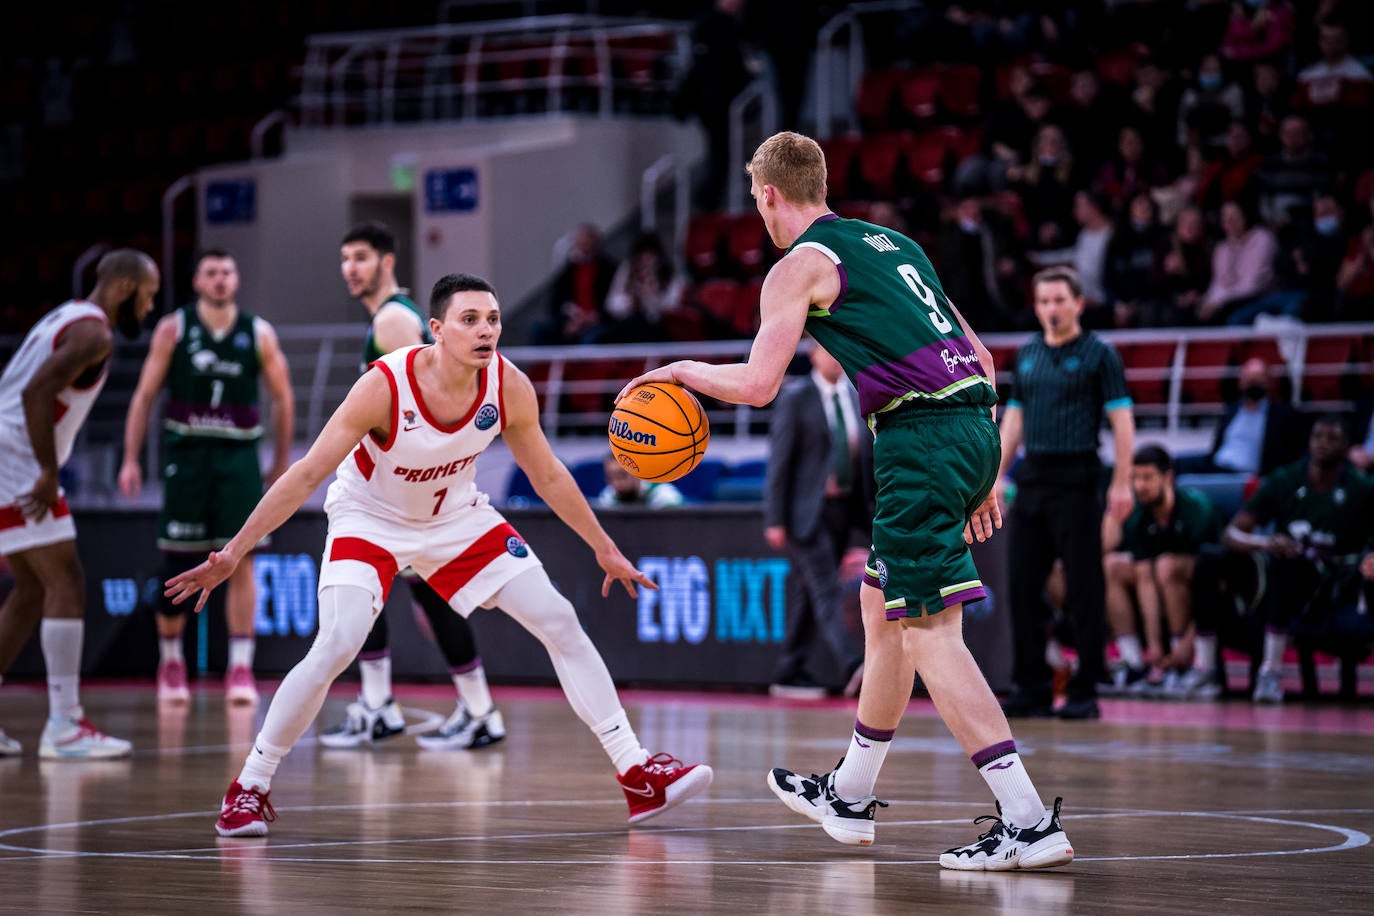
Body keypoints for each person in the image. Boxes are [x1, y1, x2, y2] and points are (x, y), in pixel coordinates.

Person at [618, 132, 1074, 870]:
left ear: (766, 192)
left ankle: (1026, 819)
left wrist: (680, 369)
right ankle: (850, 794)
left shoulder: (796, 266)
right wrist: (983, 470)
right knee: (878, 607)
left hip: (918, 440)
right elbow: (985, 359)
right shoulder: (896, 244)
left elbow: (760, 386)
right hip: (970, 425)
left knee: (931, 634)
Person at [165, 273, 711, 837]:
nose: (486, 330)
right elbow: (306, 472)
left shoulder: (509, 385)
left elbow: (547, 473)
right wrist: (234, 551)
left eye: (493, 319)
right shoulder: (384, 386)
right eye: (470, 319)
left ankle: (636, 772)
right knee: (337, 643)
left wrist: (605, 547)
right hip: (369, 518)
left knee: (559, 618)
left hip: (455, 518)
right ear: (437, 330)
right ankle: (249, 786)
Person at [325, 221, 505, 751]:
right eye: (344, 259)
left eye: (360, 257)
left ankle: (401, 707)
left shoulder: (393, 323)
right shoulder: (390, 320)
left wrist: (414, 482)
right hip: (404, 488)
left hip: (407, 492)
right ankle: (451, 709)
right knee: (413, 597)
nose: (349, 269)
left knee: (383, 591)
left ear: (386, 262)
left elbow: (424, 404)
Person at [0, 249, 159, 758]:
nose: (151, 306)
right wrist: (48, 470)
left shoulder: (65, 315)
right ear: (125, 285)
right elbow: (35, 392)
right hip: (17, 455)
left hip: (10, 449)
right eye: (149, 294)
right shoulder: (94, 333)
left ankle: (63, 722)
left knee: (30, 588)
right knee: (65, 577)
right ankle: (65, 725)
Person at [119, 249, 294, 707]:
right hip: (188, 455)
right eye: (211, 272)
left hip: (238, 456)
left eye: (227, 271)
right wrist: (130, 459)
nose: (220, 279)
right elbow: (143, 396)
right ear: (197, 280)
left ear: (236, 279)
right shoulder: (174, 328)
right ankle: (171, 660)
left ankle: (240, 668)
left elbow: (283, 397)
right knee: (178, 561)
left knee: (244, 561)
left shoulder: (257, 332)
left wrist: (280, 461)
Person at [996, 265, 1136, 721]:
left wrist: (1121, 482)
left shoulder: (1100, 355)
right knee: (1021, 584)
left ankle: (1085, 688)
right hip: (1033, 477)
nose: (1052, 308)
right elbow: (1012, 421)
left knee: (1084, 586)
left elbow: (1121, 421)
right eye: (1044, 301)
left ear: (1078, 303)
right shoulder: (1028, 354)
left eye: (1060, 299)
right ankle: (1032, 685)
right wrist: (994, 476)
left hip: (1078, 476)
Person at [1185, 416, 1374, 703]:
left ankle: (1270, 674)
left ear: (1346, 446)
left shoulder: (1361, 489)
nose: (1324, 444)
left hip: (1330, 580)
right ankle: (1205, 670)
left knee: (1288, 566)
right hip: (1274, 571)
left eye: (1332, 438)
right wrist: (1265, 543)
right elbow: (1232, 533)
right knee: (1210, 559)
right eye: (1318, 437)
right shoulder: (1285, 478)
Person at [764, 341, 870, 699]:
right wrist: (775, 519)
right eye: (829, 350)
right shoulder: (796, 397)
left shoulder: (856, 396)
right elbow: (779, 462)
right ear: (813, 354)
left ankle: (789, 670)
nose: (836, 356)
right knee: (826, 590)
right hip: (805, 513)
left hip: (845, 509)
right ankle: (855, 665)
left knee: (809, 594)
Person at [1101, 445, 1223, 698]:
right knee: (1112, 565)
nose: (1140, 486)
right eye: (1135, 478)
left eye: (1147, 478)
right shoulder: (1139, 514)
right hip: (1159, 587)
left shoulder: (1197, 510)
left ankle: (1189, 664)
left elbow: (1215, 579)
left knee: (1167, 566)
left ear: (1168, 478)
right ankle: (1135, 663)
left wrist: (1188, 642)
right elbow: (1143, 573)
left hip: (1211, 591)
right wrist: (1155, 646)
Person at [1181, 356, 1304, 476]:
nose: (1253, 383)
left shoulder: (1281, 416)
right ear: (1241, 382)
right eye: (1250, 378)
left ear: (1269, 382)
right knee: (1176, 464)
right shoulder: (1232, 411)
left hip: (1246, 476)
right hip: (1217, 466)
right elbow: (1216, 448)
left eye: (1258, 378)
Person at [596, 451, 684, 508]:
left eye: (622, 475)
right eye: (611, 478)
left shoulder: (665, 496)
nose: (617, 483)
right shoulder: (607, 497)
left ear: (637, 473)